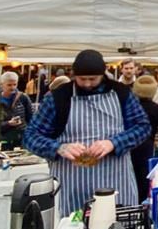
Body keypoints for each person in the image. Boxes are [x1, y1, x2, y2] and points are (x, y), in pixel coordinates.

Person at [23, 49, 151, 216]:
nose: (88, 84)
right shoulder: (58, 98)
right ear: (74, 75)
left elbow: (143, 127)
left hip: (116, 184)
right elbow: (30, 136)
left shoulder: (122, 93)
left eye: (93, 79)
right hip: (71, 187)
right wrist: (58, 148)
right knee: (73, 228)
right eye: (82, 79)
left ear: (103, 74)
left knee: (118, 228)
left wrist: (114, 143)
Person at [0, 71, 34, 148]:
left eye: (15, 84)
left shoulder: (23, 98)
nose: (12, 87)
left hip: (22, 140)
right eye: (9, 85)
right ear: (2, 85)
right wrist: (8, 124)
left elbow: (32, 119)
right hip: (2, 142)